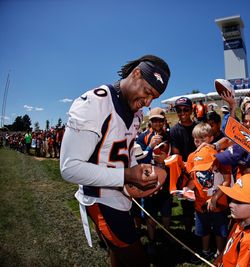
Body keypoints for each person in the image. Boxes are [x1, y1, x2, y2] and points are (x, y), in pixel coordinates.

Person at [60, 54, 170, 267]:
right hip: (101, 199)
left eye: (153, 98)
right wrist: (126, 176)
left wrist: (140, 174)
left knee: (118, 256)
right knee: (137, 261)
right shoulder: (94, 102)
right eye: (147, 92)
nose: (148, 102)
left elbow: (126, 154)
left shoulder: (136, 112)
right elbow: (69, 168)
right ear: (136, 73)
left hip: (120, 198)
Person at [186, 123, 231, 261]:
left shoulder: (220, 156)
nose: (198, 143)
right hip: (200, 202)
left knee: (220, 230)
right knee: (203, 229)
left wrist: (215, 198)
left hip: (218, 201)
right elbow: (193, 179)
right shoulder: (192, 157)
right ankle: (205, 251)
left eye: (202, 140)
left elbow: (227, 181)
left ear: (211, 138)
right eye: (195, 140)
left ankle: (219, 252)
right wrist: (186, 189)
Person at [136, 107, 172, 257]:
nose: (157, 123)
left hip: (166, 180)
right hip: (149, 180)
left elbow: (175, 156)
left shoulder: (169, 136)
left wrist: (166, 160)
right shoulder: (142, 137)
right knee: (150, 213)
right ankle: (151, 241)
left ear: (164, 121)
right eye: (154, 120)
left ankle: (167, 237)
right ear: (150, 122)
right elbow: (138, 160)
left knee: (166, 212)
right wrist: (150, 147)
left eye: (160, 120)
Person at [216, 174, 250, 267]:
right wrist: (220, 258)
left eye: (238, 202)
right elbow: (230, 244)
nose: (230, 204)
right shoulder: (240, 220)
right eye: (232, 199)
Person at [170, 96, 197, 235]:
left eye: (185, 109)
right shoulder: (174, 131)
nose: (182, 113)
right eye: (178, 110)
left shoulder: (198, 127)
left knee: (202, 206)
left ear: (191, 110)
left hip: (200, 170)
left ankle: (202, 235)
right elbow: (176, 155)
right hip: (185, 173)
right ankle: (188, 234)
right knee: (186, 207)